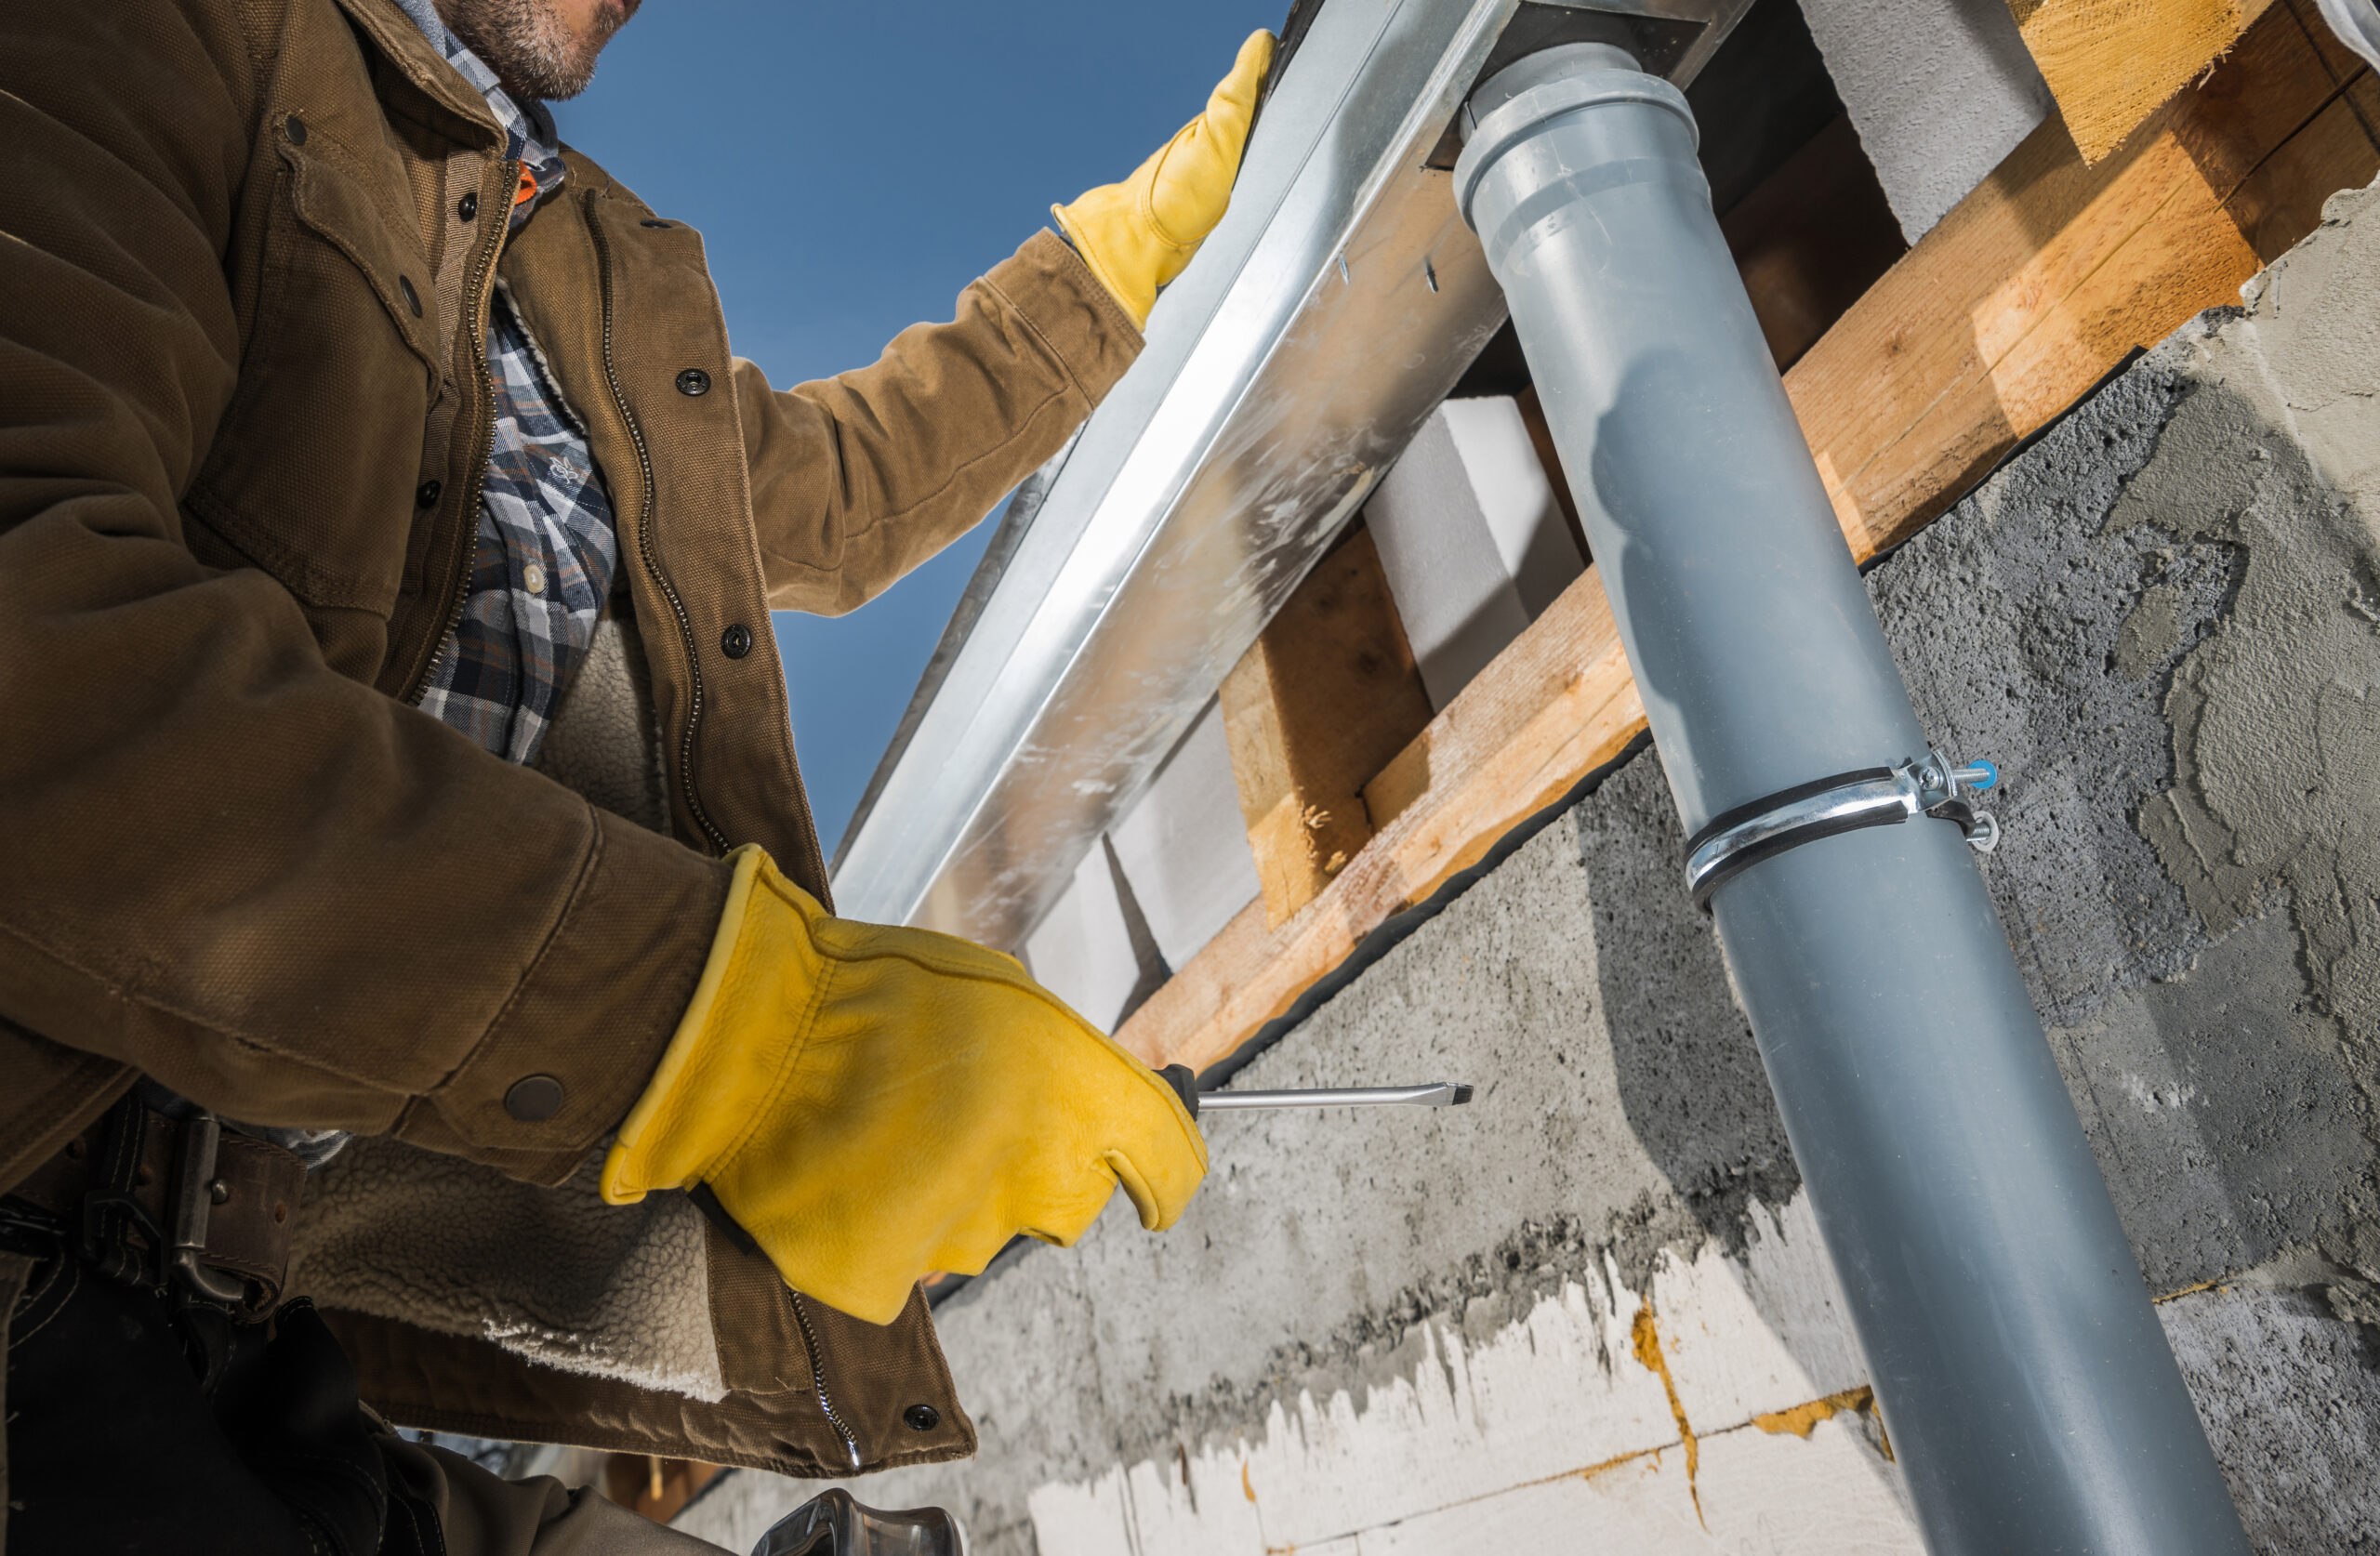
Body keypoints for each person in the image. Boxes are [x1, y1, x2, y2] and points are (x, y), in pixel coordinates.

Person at [0, 0, 1271, 1547]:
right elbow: (37, 657)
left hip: (226, 1298)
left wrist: (1102, 276)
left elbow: (845, 483)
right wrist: (737, 1045)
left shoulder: (578, 280)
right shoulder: (153, 35)